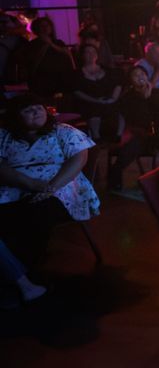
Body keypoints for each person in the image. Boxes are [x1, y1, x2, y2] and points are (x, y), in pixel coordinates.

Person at [0, 94, 100, 265]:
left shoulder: (63, 131)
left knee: (37, 212)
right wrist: (31, 183)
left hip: (60, 186)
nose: (36, 112)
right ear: (16, 116)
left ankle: (25, 267)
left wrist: (51, 187)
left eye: (39, 108)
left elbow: (79, 159)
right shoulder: (4, 136)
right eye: (28, 110)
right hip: (15, 187)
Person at [72, 43, 123, 141]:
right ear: (82, 55)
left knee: (118, 107)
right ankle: (96, 137)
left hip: (108, 99)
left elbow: (118, 83)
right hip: (89, 101)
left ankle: (118, 135)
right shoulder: (77, 74)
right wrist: (95, 100)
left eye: (93, 52)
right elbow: (76, 91)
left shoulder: (107, 70)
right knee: (93, 109)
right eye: (88, 52)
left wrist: (113, 98)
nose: (91, 54)